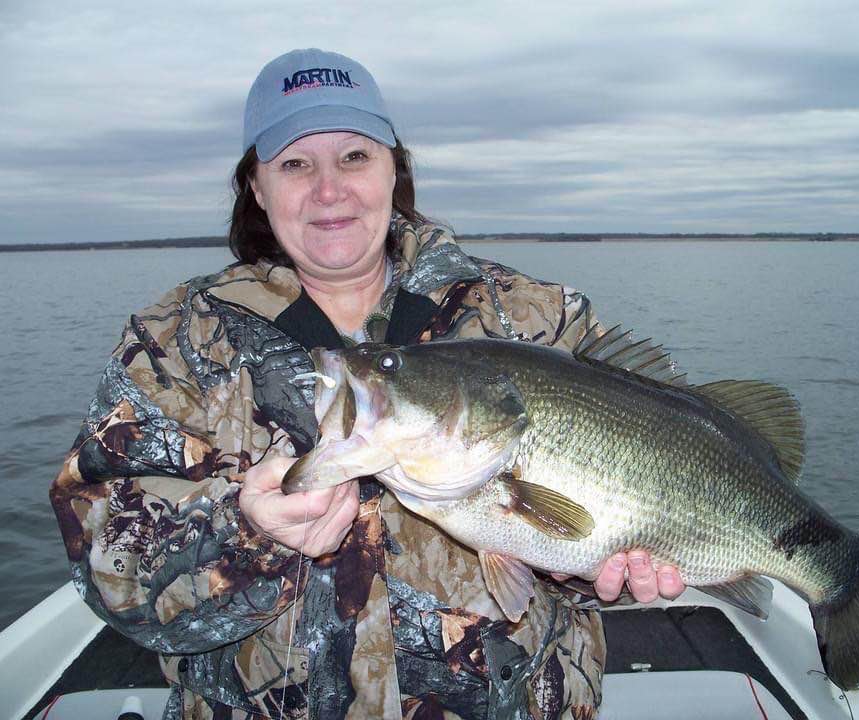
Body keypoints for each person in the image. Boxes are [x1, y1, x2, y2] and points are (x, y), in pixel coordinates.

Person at [50, 48, 685, 720]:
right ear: (257, 188)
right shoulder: (172, 341)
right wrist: (245, 532)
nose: (330, 190)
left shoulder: (538, 318)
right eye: (295, 163)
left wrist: (588, 571)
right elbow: (104, 569)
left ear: (393, 171)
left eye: (355, 156)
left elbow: (627, 503)